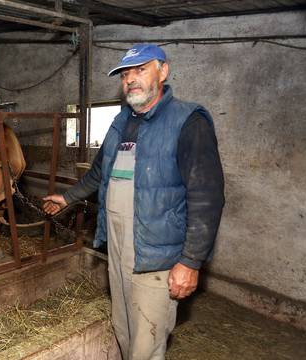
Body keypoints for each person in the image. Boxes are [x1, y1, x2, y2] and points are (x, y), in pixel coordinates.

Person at [43, 44, 224, 360]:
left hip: (157, 254)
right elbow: (100, 172)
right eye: (126, 74)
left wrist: (191, 261)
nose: (131, 80)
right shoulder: (121, 121)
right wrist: (67, 197)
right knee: (124, 330)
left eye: (141, 70)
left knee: (147, 341)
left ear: (163, 71)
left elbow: (207, 198)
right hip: (118, 247)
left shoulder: (188, 121)